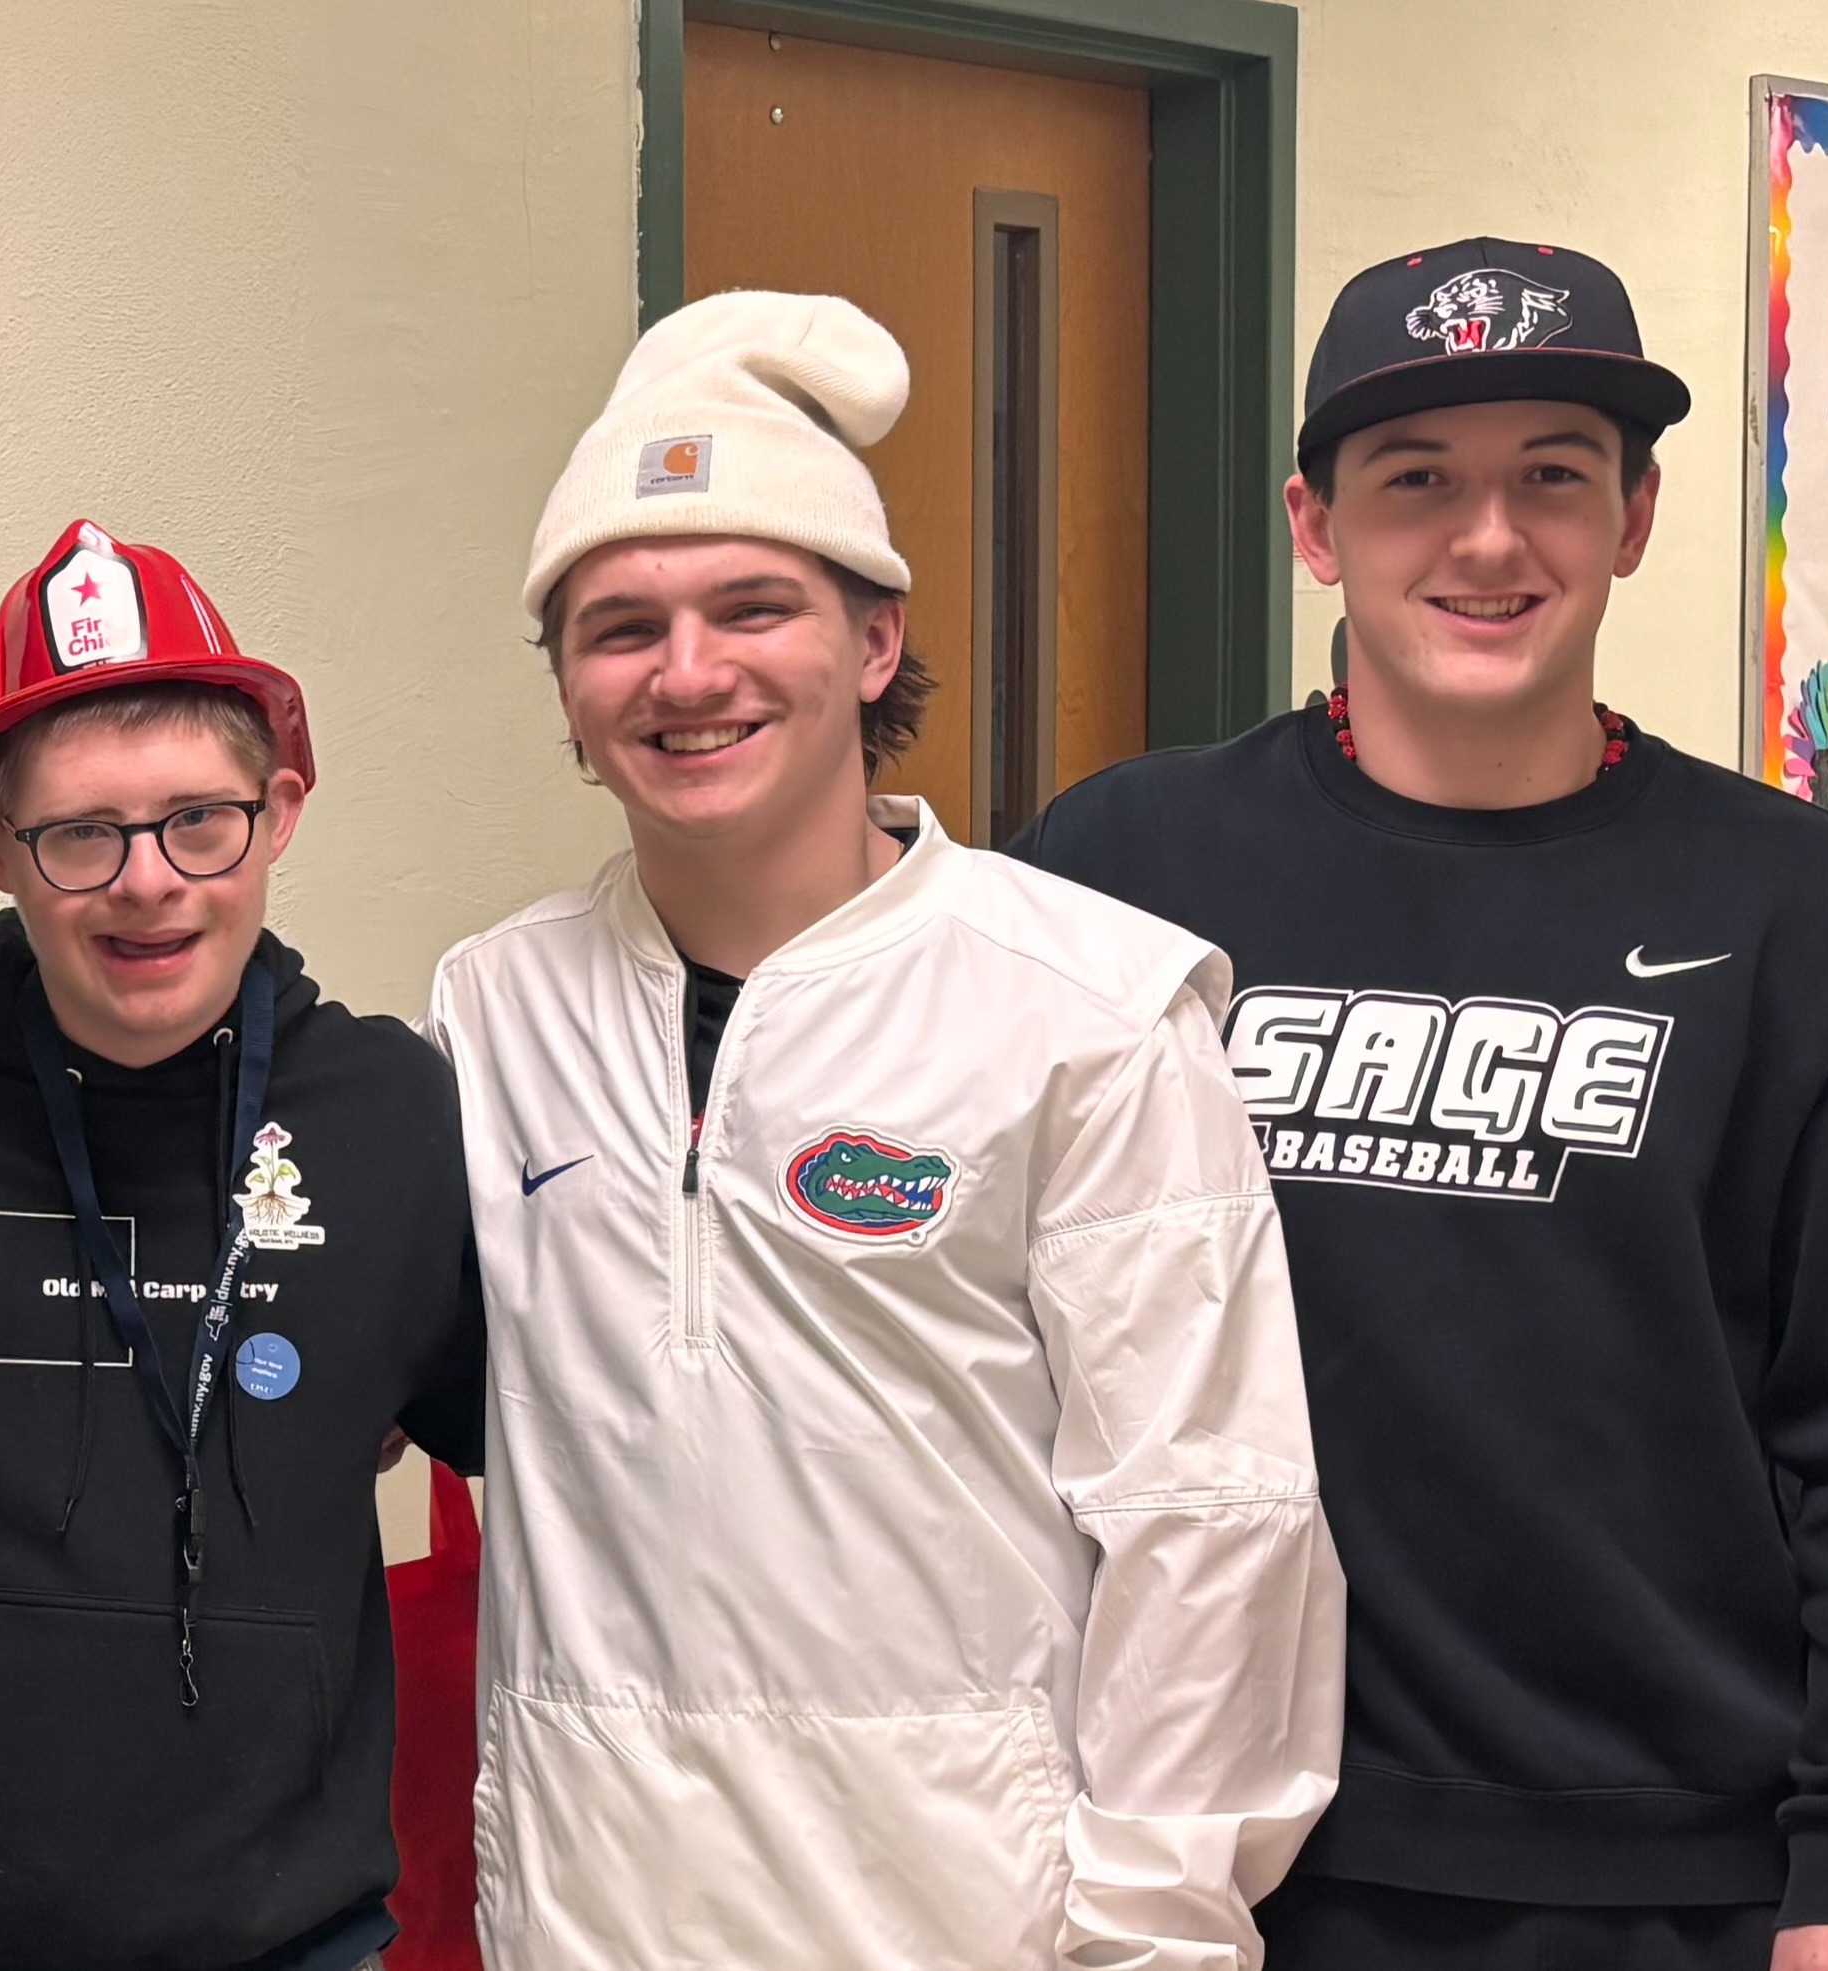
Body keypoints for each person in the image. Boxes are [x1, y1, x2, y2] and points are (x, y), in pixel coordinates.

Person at [1017, 237, 1828, 1971]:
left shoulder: (1792, 907)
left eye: (1551, 476)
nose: (1487, 540)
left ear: (1629, 517)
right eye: (1417, 482)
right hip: (1198, 1850)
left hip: (1664, 1864)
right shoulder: (1120, 866)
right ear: (1315, 525)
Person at [434, 289, 1341, 1967]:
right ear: (563, 687)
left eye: (751, 607)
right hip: (593, 1903)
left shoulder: (1085, 1012)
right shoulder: (493, 1012)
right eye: (617, 626)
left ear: (870, 643)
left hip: (967, 1912)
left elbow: (1208, 1521)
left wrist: (1153, 1929)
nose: (684, 673)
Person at [0, 521, 489, 1971]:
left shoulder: (393, 1118)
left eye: (196, 821)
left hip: (291, 1934)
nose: (147, 880)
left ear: (279, 810)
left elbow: (543, 1444)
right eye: (80, 835)